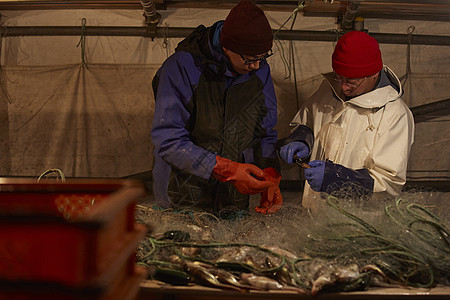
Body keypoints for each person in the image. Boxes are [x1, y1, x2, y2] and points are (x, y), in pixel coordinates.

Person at [151, 0, 282, 215]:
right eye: (250, 60)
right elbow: (168, 140)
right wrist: (228, 170)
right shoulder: (181, 68)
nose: (256, 67)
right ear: (226, 47)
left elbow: (265, 132)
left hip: (233, 200)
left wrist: (270, 174)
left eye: (262, 58)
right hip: (183, 198)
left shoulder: (259, 70)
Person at [279, 31, 415, 212]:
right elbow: (307, 121)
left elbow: (389, 183)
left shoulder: (394, 114)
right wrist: (301, 139)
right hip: (314, 212)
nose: (343, 87)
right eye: (339, 77)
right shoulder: (329, 90)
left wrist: (338, 179)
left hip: (358, 223)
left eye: (351, 81)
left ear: (373, 74)